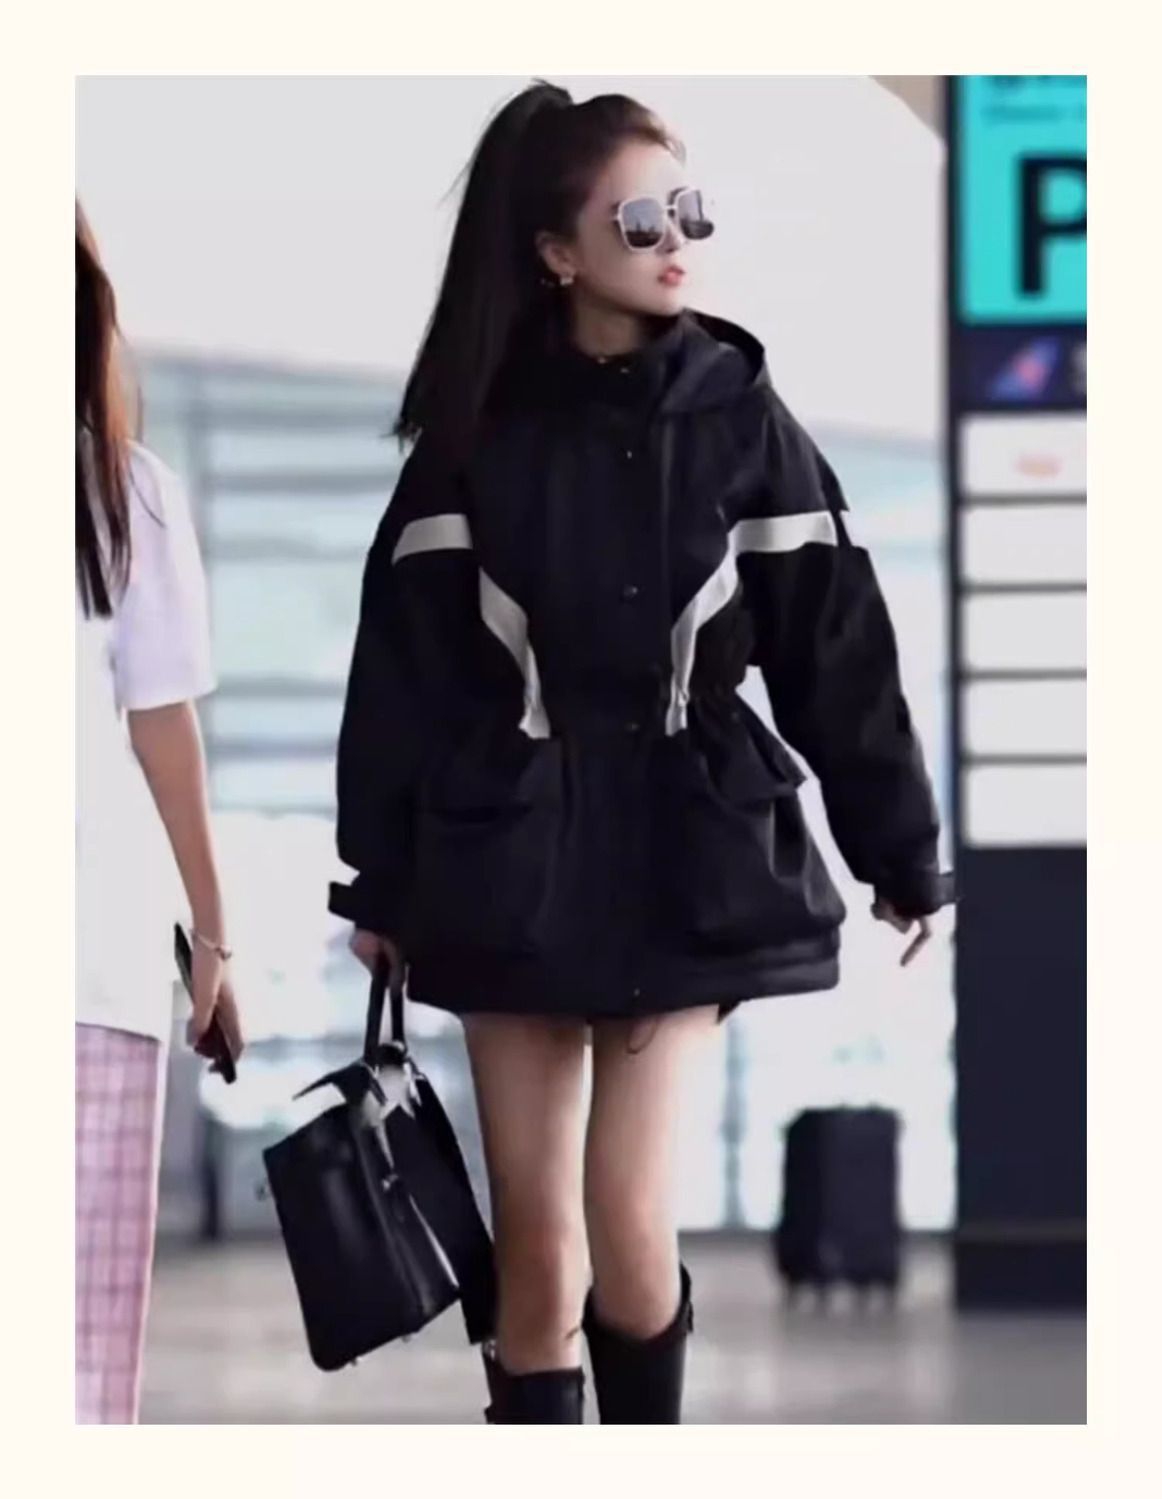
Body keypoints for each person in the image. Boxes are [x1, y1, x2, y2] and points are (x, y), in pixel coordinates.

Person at [328, 82, 952, 1424]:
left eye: (691, 211)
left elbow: (836, 649)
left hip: (687, 850)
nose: (677, 241)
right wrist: (376, 879)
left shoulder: (743, 416)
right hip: (507, 854)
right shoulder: (471, 439)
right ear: (557, 251)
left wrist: (900, 853)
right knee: (537, 1243)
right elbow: (402, 676)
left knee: (624, 1213)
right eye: (640, 218)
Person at [75, 203, 243, 1423]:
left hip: (87, 966)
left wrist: (212, 933)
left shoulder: (122, 490)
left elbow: (163, 728)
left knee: (74, 1368)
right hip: (89, 964)